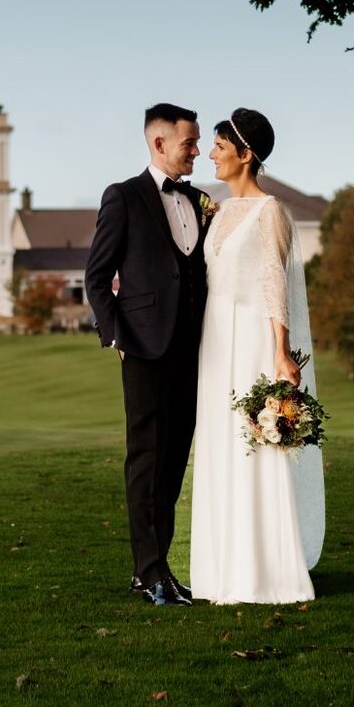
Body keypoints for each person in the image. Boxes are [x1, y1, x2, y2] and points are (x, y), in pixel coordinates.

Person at [189, 107, 325, 604]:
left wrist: (282, 352)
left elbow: (274, 283)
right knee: (221, 445)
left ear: (246, 155)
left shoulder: (272, 212)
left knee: (254, 449)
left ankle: (265, 573)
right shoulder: (218, 212)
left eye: (220, 147)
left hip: (251, 339)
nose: (211, 155)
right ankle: (219, 570)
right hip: (214, 339)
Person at [84, 102, 210, 607]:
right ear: (158, 143)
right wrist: (117, 336)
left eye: (199, 142)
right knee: (146, 459)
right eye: (190, 143)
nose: (198, 151)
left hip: (194, 349)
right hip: (143, 347)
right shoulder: (124, 197)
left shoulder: (201, 200)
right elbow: (96, 276)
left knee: (176, 458)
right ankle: (148, 572)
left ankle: (163, 570)